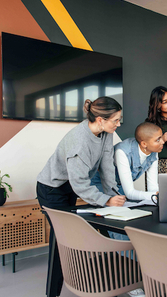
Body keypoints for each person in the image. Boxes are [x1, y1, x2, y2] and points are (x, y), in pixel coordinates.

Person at [36, 96, 125, 297]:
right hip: (52, 189)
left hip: (69, 187)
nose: (119, 124)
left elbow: (107, 165)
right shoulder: (79, 142)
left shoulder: (106, 132)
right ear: (101, 119)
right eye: (116, 120)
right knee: (62, 238)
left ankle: (87, 279)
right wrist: (106, 200)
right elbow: (80, 185)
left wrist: (114, 195)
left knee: (70, 235)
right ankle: (53, 292)